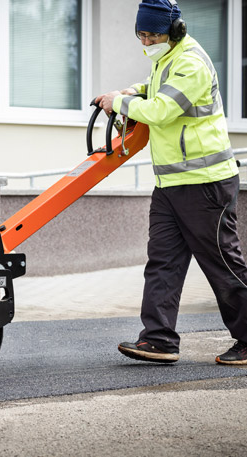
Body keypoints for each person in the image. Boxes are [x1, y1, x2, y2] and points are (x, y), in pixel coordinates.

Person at [95, 0, 247, 365]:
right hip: (170, 185)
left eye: (153, 35)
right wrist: (131, 92)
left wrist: (120, 104)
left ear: (175, 30)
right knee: (162, 261)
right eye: (141, 35)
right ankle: (159, 340)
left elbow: (163, 110)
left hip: (205, 184)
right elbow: (154, 87)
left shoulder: (191, 62)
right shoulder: (168, 59)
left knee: (222, 263)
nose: (147, 42)